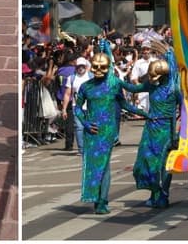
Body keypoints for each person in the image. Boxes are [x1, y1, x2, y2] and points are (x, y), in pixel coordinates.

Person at [73, 52, 147, 214]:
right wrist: (85, 123)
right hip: (91, 131)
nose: (99, 70)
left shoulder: (114, 83)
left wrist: (144, 112)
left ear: (108, 68)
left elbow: (126, 101)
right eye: (96, 67)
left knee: (104, 165)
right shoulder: (86, 86)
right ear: (91, 67)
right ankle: (95, 198)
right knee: (93, 166)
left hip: (107, 131)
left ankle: (102, 201)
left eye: (103, 67)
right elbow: (77, 108)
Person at [122, 58, 181, 208]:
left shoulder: (175, 89)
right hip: (150, 130)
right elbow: (133, 88)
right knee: (147, 163)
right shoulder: (151, 85)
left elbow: (184, 111)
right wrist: (117, 81)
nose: (153, 79)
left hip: (167, 131)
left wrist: (179, 132)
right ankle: (155, 193)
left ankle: (163, 196)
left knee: (164, 165)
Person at [62, 57, 94, 154]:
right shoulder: (71, 78)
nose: (80, 68)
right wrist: (64, 109)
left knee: (90, 127)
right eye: (79, 66)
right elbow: (67, 94)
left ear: (86, 66)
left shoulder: (91, 77)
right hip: (77, 106)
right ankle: (82, 149)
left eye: (82, 66)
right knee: (79, 127)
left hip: (90, 107)